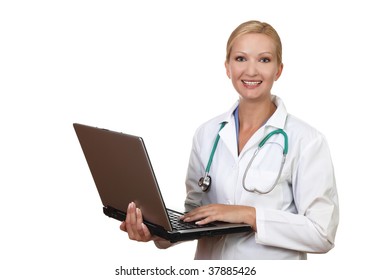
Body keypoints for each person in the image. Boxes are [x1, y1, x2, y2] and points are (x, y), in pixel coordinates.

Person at [120, 20, 339, 260]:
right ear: (227, 67)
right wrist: (157, 233)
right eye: (241, 59)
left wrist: (249, 215)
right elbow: (195, 215)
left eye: (264, 59)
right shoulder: (207, 133)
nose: (251, 71)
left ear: (278, 69)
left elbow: (322, 233)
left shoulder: (306, 140)